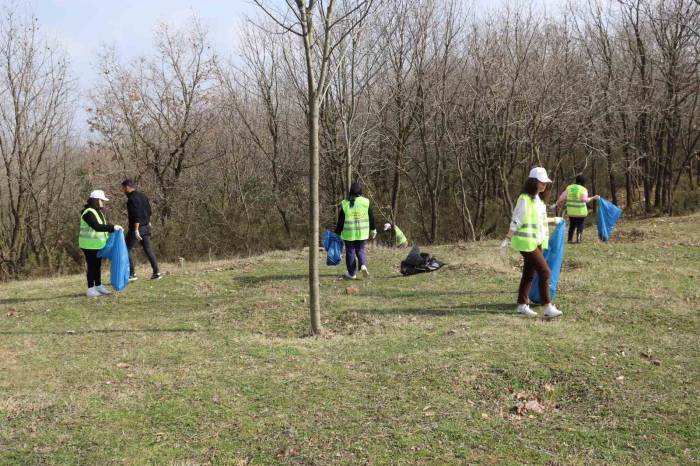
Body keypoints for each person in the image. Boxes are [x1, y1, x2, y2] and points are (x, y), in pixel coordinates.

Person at [500, 167, 563, 318]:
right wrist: (507, 239)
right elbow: (516, 220)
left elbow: (540, 221)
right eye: (541, 182)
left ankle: (522, 305)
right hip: (526, 243)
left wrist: (555, 220)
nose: (544, 185)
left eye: (545, 182)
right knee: (545, 272)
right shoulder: (524, 199)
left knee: (529, 274)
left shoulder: (538, 201)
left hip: (536, 242)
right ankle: (547, 307)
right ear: (533, 181)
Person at [79, 190, 123, 298]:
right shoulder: (88, 212)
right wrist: (112, 228)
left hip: (97, 245)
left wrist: (114, 227)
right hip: (88, 245)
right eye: (101, 200)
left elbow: (103, 225)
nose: (103, 203)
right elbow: (96, 226)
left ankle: (98, 286)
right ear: (96, 200)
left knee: (97, 266)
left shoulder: (98, 212)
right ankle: (90, 289)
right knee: (92, 266)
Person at [121, 179, 162, 281]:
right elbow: (149, 210)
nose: (122, 190)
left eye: (122, 188)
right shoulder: (143, 196)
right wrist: (148, 221)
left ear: (127, 187)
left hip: (137, 228)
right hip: (146, 226)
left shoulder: (131, 199)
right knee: (148, 249)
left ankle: (132, 274)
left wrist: (136, 230)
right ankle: (156, 273)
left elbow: (136, 215)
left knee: (126, 248)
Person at [334, 182, 377, 280]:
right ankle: (363, 265)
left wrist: (337, 232)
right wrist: (373, 229)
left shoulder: (345, 203)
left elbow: (341, 221)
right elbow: (371, 217)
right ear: (360, 191)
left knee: (350, 252)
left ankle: (351, 273)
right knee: (360, 249)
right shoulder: (366, 202)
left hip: (349, 234)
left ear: (351, 192)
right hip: (362, 233)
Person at [555, 174, 600, 243]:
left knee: (572, 225)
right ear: (583, 182)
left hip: (571, 212)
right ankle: (578, 238)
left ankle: (570, 239)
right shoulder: (583, 189)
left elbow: (562, 197)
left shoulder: (569, 187)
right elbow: (585, 200)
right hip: (581, 212)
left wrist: (557, 203)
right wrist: (593, 197)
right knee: (580, 225)